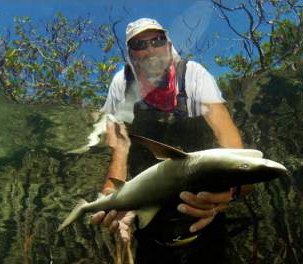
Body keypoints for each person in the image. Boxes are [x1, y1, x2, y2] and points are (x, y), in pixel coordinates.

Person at [91, 18, 245, 263]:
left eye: (157, 40)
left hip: (206, 224)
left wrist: (232, 191)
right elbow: (119, 149)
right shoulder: (121, 83)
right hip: (149, 231)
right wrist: (111, 196)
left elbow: (234, 149)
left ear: (168, 43)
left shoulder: (193, 75)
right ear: (131, 54)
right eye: (140, 44)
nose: (150, 49)